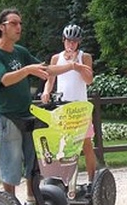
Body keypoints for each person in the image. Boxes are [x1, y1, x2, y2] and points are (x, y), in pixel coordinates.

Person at [0, 9, 57, 204]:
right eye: (14, 23)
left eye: (20, 23)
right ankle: (10, 204)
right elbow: (4, 80)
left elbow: (45, 69)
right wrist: (27, 70)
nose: (19, 27)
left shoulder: (20, 52)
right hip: (6, 115)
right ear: (2, 27)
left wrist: (72, 66)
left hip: (26, 113)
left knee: (33, 159)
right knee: (11, 161)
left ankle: (33, 199)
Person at [41, 24, 97, 183]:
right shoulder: (56, 58)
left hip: (80, 107)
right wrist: (46, 92)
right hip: (63, 108)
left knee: (86, 144)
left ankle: (92, 180)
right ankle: (64, 180)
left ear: (78, 42)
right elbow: (50, 80)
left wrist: (77, 66)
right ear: (63, 41)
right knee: (63, 145)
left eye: (74, 41)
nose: (71, 44)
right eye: (68, 41)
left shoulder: (84, 57)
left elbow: (89, 80)